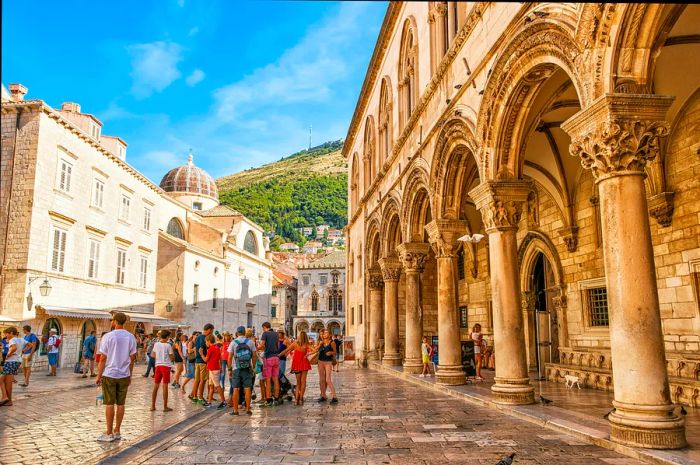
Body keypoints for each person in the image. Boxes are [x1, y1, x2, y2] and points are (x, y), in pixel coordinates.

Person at [95, 312, 137, 442]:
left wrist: (99, 375)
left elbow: (103, 358)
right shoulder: (131, 337)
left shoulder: (108, 336)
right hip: (124, 374)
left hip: (110, 374)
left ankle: (108, 432)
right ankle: (117, 430)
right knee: (121, 403)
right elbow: (132, 358)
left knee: (109, 403)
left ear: (114, 321)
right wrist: (130, 374)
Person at [278, 330, 314, 405]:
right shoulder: (306, 344)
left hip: (297, 364)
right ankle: (301, 399)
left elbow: (286, 350)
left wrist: (278, 356)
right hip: (304, 363)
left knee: (298, 383)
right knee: (303, 382)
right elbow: (315, 350)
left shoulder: (295, 344)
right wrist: (308, 354)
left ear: (299, 336)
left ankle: (296, 399)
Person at [227, 326, 256, 415]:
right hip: (247, 368)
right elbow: (254, 355)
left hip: (236, 368)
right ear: (244, 332)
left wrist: (229, 369)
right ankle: (248, 409)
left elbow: (229, 357)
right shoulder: (250, 342)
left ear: (237, 333)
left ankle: (235, 410)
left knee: (236, 389)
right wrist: (253, 367)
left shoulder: (233, 342)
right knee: (247, 388)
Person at [257, 322, 280, 407]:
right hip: (276, 358)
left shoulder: (265, 333)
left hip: (268, 358)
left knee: (268, 380)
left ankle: (268, 399)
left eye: (263, 328)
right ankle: (277, 398)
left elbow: (262, 345)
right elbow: (278, 345)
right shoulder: (276, 334)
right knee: (275, 379)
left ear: (264, 327)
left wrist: (256, 348)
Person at [0, 326, 25, 406]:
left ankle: (5, 398)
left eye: (7, 334)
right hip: (16, 361)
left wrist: (9, 355)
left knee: (3, 380)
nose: (6, 336)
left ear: (11, 333)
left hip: (11, 361)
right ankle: (7, 400)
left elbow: (14, 348)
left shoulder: (12, 340)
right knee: (7, 382)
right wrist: (21, 352)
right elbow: (30, 345)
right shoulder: (21, 339)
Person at [190, 324, 213, 404]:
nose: (212, 332)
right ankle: (200, 398)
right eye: (212, 330)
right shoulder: (206, 338)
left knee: (197, 380)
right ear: (209, 330)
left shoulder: (198, 337)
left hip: (197, 361)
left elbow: (195, 348)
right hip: (203, 361)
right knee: (203, 381)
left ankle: (195, 396)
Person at [151, 329, 174, 412]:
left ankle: (153, 406)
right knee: (165, 386)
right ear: (167, 337)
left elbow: (153, 355)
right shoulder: (168, 345)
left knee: (156, 386)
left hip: (158, 366)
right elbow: (171, 357)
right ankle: (165, 406)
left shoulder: (156, 344)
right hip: (166, 366)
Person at [201, 334, 226, 409]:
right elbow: (220, 358)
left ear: (209, 341)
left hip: (213, 369)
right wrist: (221, 366)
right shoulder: (217, 348)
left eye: (206, 342)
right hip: (214, 369)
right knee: (211, 386)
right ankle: (209, 401)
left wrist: (201, 354)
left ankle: (223, 401)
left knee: (217, 386)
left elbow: (205, 360)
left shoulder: (210, 349)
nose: (205, 343)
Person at [315, 329, 338, 404]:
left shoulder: (332, 343)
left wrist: (331, 352)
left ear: (330, 335)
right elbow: (315, 350)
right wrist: (318, 345)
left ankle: (334, 397)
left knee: (328, 379)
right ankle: (323, 396)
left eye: (326, 333)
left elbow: (335, 352)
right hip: (320, 361)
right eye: (324, 333)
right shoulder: (321, 342)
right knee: (321, 380)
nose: (324, 334)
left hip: (328, 362)